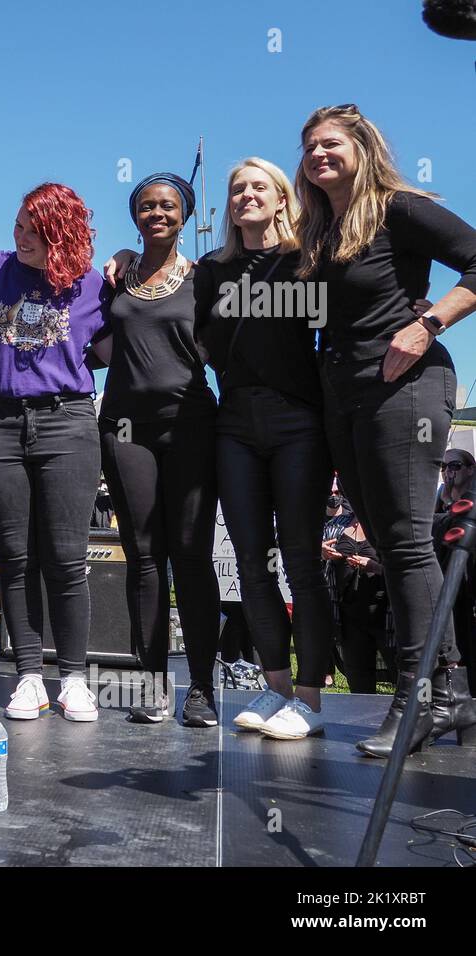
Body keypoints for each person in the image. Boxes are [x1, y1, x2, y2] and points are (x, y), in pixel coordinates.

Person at [296, 104, 476, 755]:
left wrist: (427, 324)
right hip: (345, 395)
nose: (318, 155)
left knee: (403, 544)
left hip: (406, 386)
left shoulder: (398, 207)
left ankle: (417, 695)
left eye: (331, 144)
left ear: (362, 146)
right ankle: (449, 691)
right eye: (310, 147)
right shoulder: (322, 229)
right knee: (395, 545)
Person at [0, 183, 110, 722]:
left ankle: (74, 679)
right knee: (14, 556)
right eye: (18, 226)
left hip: (68, 423)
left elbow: (114, 347)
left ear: (63, 232)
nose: (22, 238)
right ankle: (29, 676)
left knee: (66, 557)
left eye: (35, 230)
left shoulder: (92, 283)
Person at [191, 158, 335, 741]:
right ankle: (276, 692)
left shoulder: (308, 259)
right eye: (236, 190)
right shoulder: (211, 269)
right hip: (236, 424)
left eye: (259, 187)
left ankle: (310, 700)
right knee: (250, 562)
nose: (246, 196)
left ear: (281, 199)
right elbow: (182, 321)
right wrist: (123, 262)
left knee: (299, 560)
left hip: (299, 421)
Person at [90, 173, 221, 727]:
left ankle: (203, 690)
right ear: (135, 216)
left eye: (167, 206)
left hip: (190, 424)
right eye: (146, 206)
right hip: (124, 429)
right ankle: (149, 684)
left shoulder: (206, 277)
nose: (157, 213)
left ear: (184, 215)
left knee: (190, 558)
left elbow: (224, 347)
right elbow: (93, 344)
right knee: (144, 558)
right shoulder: (118, 277)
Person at [326, 506, 394, 693]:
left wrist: (375, 567)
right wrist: (322, 554)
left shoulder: (389, 524)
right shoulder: (336, 526)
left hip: (387, 619)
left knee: (403, 679)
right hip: (349, 619)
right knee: (359, 685)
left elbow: (407, 567)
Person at [435, 448, 476, 674]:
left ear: (471, 469)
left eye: (454, 466)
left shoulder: (470, 502)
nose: (448, 472)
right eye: (443, 467)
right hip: (448, 589)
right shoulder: (440, 503)